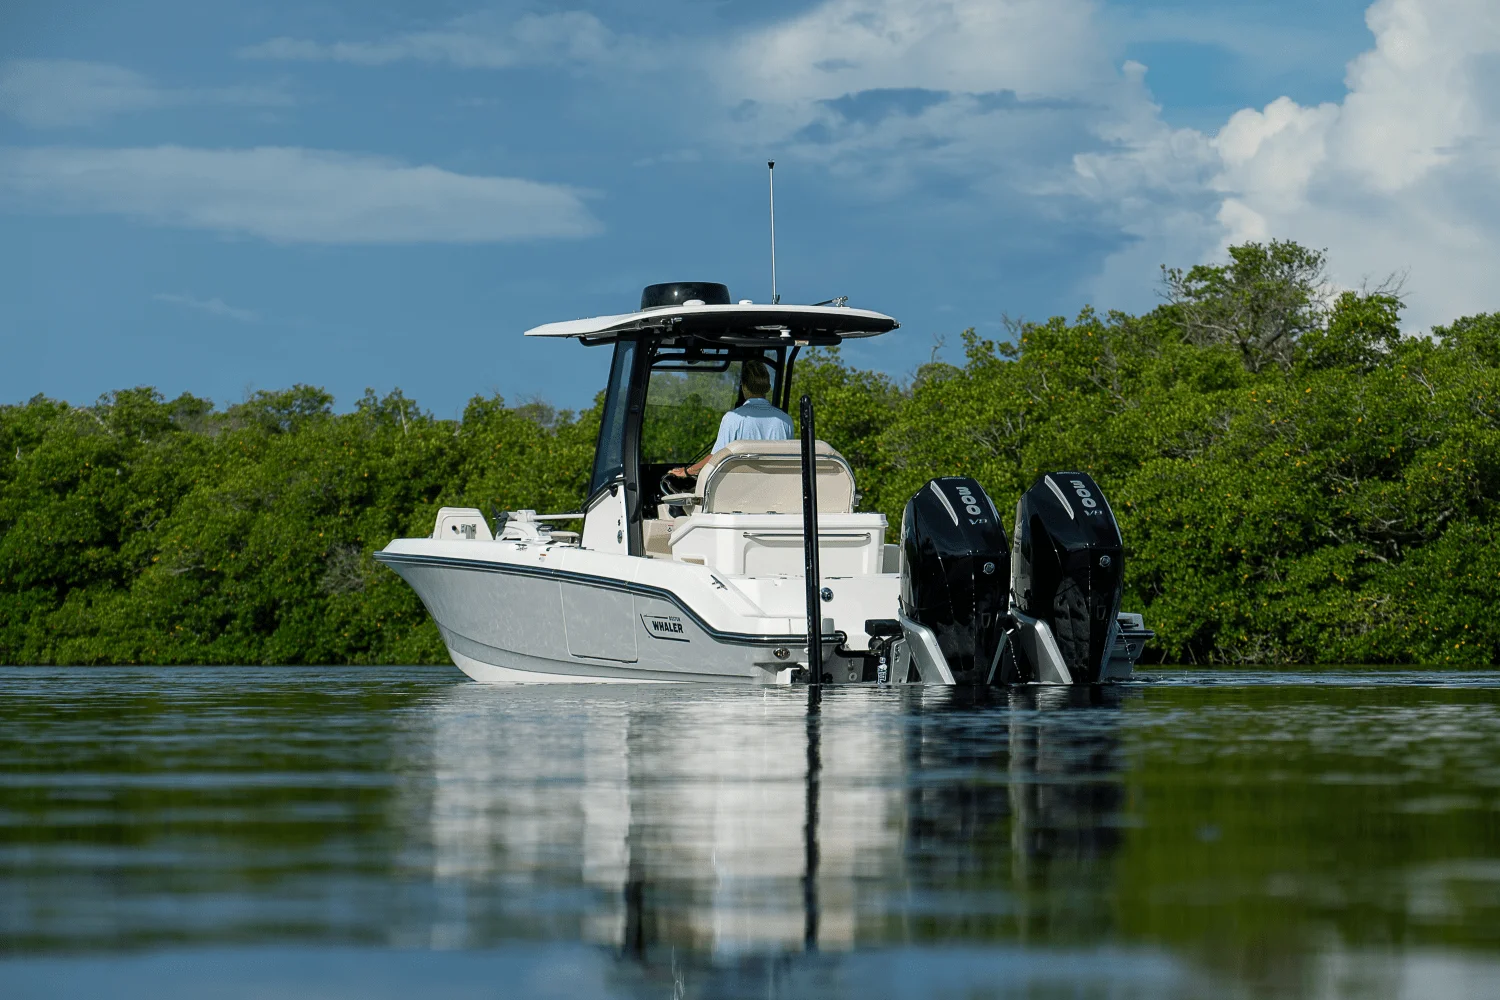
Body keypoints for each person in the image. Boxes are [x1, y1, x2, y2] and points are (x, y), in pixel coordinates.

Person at [669, 358, 792, 479]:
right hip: (775, 493)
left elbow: (716, 458)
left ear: (744, 386)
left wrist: (687, 471)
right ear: (768, 387)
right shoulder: (785, 421)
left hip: (740, 492)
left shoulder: (733, 418)